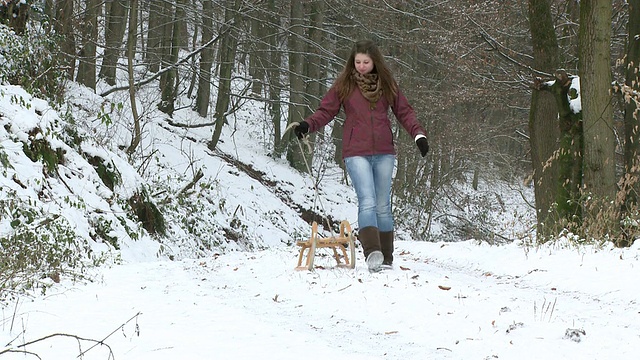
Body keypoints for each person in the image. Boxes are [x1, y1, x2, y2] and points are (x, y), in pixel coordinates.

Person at [294, 39, 429, 272]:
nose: (361, 66)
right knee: (367, 200)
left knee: (383, 205)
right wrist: (308, 125)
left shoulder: (387, 84)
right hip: (356, 151)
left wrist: (418, 135)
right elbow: (326, 110)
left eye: (366, 62)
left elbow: (404, 112)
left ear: (375, 62)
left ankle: (386, 257)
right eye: (357, 62)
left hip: (384, 151)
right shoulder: (344, 84)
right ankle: (372, 253)